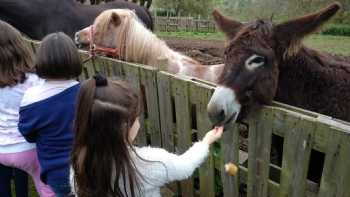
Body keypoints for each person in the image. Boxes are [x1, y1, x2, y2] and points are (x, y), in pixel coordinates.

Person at [70, 75, 224, 197]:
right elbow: (185, 166)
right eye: (136, 116)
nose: (139, 120)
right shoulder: (150, 163)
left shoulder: (79, 166)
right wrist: (206, 141)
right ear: (124, 128)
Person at [19, 32, 82, 197]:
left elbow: (28, 135)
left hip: (56, 172)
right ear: (74, 59)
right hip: (88, 167)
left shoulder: (30, 97)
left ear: (41, 60)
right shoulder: (86, 92)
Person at [0, 20, 54, 197]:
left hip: (1, 149)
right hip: (28, 149)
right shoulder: (35, 80)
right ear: (18, 46)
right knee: (47, 186)